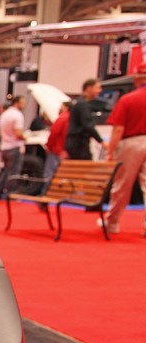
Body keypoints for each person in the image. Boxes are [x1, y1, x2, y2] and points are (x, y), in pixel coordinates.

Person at [102, 64, 146, 235]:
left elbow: (118, 129)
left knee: (122, 184)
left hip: (131, 142)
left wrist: (110, 152)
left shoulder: (128, 99)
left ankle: (112, 222)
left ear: (137, 78)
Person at [0, 96, 26, 200]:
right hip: (14, 146)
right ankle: (11, 194)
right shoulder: (17, 115)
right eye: (23, 102)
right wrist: (26, 138)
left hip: (4, 146)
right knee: (14, 172)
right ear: (17, 103)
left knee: (6, 171)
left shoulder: (4, 114)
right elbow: (18, 133)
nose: (24, 105)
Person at [65, 78, 103, 160]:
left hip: (75, 143)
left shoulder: (79, 103)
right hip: (79, 144)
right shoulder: (82, 105)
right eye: (97, 88)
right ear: (89, 88)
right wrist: (101, 141)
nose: (100, 91)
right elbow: (88, 125)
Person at [41, 100, 71, 193]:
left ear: (65, 107)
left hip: (56, 150)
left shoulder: (62, 118)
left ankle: (46, 193)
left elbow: (54, 133)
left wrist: (48, 146)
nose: (59, 108)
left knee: (50, 173)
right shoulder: (72, 118)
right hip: (65, 151)